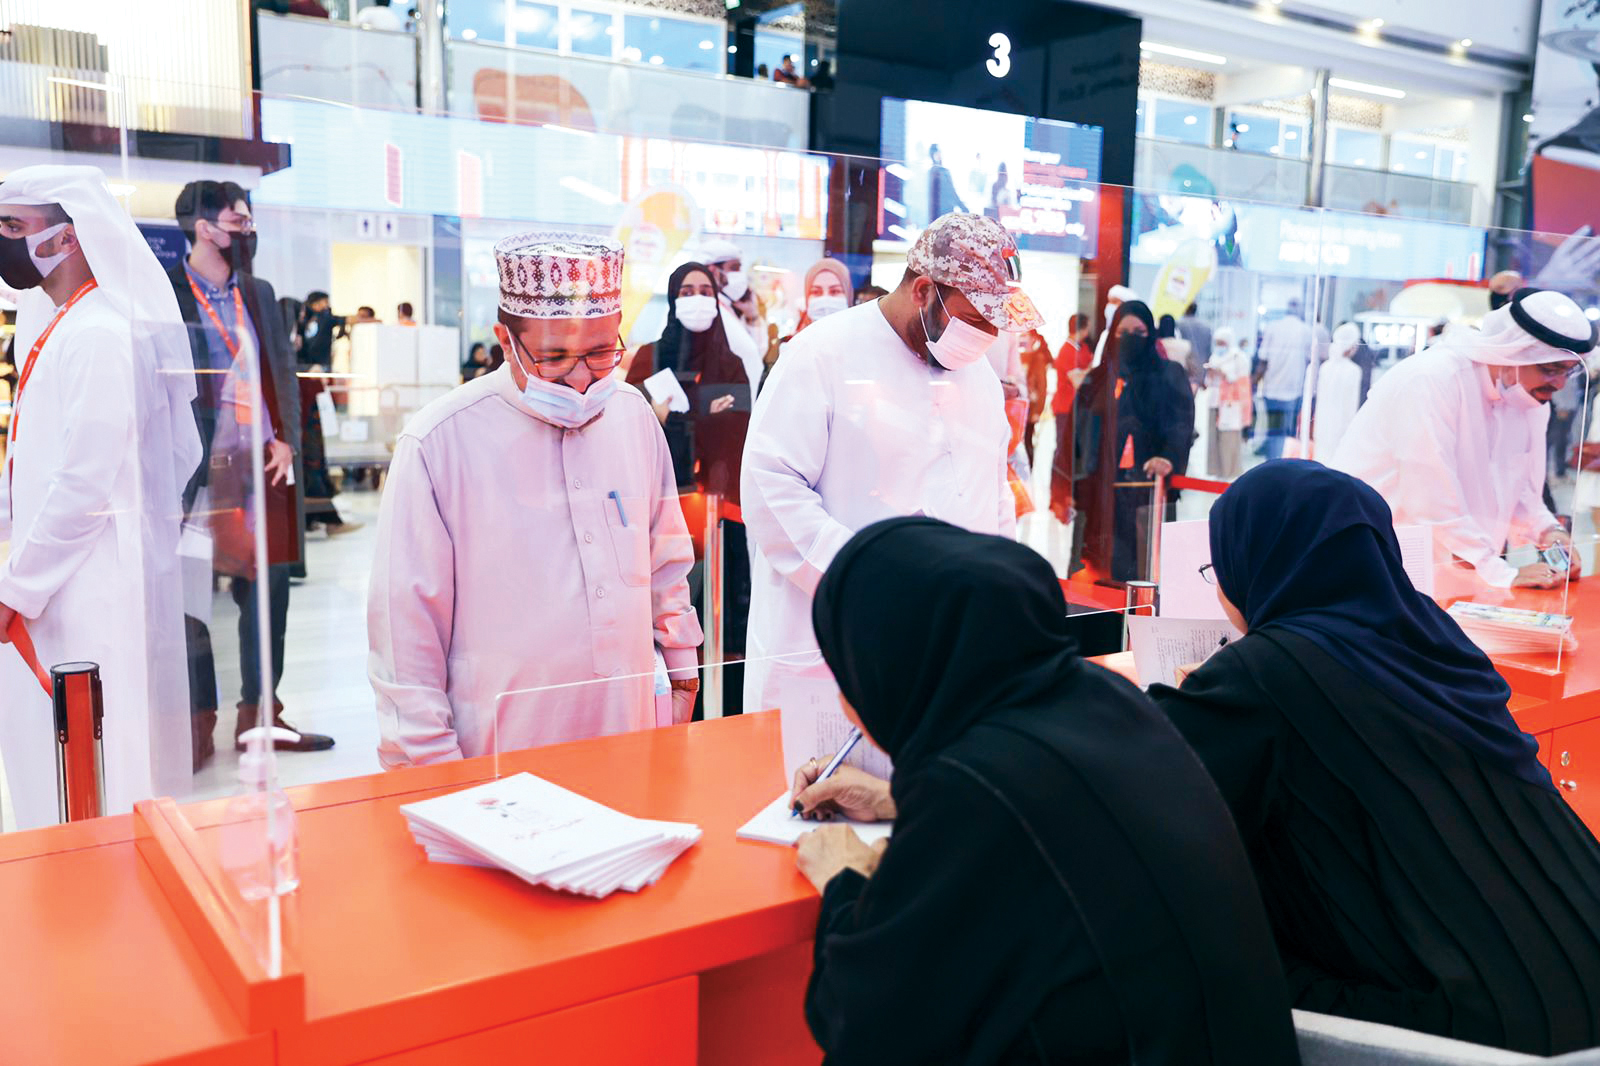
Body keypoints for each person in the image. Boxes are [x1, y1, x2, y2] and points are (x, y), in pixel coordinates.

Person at [791, 518, 1302, 1065]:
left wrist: (843, 881)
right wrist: (898, 800)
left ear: (887, 669)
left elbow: (862, 1019)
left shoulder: (971, 788)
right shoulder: (1104, 698)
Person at [1147, 461, 1600, 1056]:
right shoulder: (1435, 637)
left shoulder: (1267, 670)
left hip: (1480, 1026)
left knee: (1186, 947)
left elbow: (1146, 799)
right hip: (1580, 966)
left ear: (1250, 562)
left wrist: (1206, 691)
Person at [368, 232, 702, 766]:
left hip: (630, 730)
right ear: (506, 340)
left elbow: (665, 558)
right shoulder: (438, 443)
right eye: (554, 357)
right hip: (499, 754)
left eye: (601, 353)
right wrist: (433, 773)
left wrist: (683, 669)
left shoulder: (632, 416)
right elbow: (405, 634)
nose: (581, 378)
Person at [741, 212, 1035, 714]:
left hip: (946, 647)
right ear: (922, 291)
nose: (987, 334)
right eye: (976, 320)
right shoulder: (822, 353)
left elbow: (993, 494)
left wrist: (996, 584)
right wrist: (869, 577)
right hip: (831, 639)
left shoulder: (980, 378)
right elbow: (771, 487)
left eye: (996, 323)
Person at [0, 164, 200, 827]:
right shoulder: (64, 326)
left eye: (13, 226)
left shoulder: (99, 335)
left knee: (95, 770)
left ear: (67, 236)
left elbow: (83, 486)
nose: (3, 240)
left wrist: (17, 588)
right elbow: (38, 464)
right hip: (53, 580)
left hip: (84, 586)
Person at [171, 180, 336, 763]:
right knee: (190, 596)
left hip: (262, 461)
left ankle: (260, 713)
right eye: (238, 222)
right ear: (204, 229)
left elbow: (282, 370)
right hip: (194, 467)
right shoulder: (167, 292)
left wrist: (287, 438)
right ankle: (197, 718)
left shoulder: (258, 291)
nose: (248, 231)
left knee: (269, 592)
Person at [1334, 287, 1593, 589]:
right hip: (1377, 560)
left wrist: (1549, 532)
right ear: (1513, 352)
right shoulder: (1433, 380)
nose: (1559, 384)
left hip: (1460, 572)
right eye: (1550, 369)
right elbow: (1429, 499)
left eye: (1568, 372)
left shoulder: (1529, 399)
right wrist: (1501, 573)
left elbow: (1520, 487)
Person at [627, 261, 753, 711]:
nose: (696, 299)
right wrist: (703, 410)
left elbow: (737, 432)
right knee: (664, 613)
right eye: (686, 291)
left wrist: (682, 412)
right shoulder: (649, 359)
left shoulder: (731, 364)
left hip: (720, 516)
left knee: (721, 615)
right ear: (672, 299)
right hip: (660, 513)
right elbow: (633, 429)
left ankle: (723, 707)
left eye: (704, 290)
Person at [1072, 300, 1194, 583]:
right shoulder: (1098, 379)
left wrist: (1168, 457)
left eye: (1138, 332)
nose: (1129, 339)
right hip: (1101, 492)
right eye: (1122, 332)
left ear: (1150, 333)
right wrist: (1068, 484)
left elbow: (1181, 424)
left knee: (1143, 569)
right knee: (1096, 569)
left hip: (1147, 491)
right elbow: (1078, 433)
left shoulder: (1168, 375)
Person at [696, 238, 765, 392]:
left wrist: (752, 316)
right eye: (734, 268)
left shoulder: (727, 307)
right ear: (713, 271)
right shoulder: (705, 311)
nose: (740, 275)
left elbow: (757, 351)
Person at [1049, 312, 1093, 522]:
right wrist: (1089, 372)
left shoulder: (1081, 348)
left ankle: (1067, 497)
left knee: (1072, 454)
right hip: (1065, 408)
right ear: (1083, 328)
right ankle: (1057, 498)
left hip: (1077, 409)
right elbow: (1077, 380)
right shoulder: (1066, 351)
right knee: (1062, 453)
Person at [1255, 299, 1312, 460]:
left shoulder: (1272, 327)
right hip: (1293, 390)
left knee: (1273, 430)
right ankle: (1283, 463)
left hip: (1271, 389)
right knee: (1288, 433)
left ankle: (1272, 462)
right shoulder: (1305, 330)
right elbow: (1310, 360)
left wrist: (1253, 383)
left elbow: (1263, 360)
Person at [1205, 326, 1252, 479]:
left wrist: (1225, 374)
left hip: (1231, 404)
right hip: (1214, 402)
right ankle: (1216, 471)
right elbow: (1208, 382)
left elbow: (1242, 382)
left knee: (1229, 439)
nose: (1219, 346)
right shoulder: (1214, 357)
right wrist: (1211, 374)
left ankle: (1230, 472)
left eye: (1222, 343)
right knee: (1214, 439)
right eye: (1217, 343)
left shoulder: (1239, 358)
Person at [1312, 322, 1362, 462]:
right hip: (1342, 426)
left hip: (1322, 425)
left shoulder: (1325, 367)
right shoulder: (1354, 371)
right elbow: (1351, 405)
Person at [791, 257, 852, 336]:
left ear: (848, 295)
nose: (825, 299)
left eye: (835, 291)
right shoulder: (796, 341)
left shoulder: (861, 339)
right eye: (816, 292)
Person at [1019, 327, 1050, 468]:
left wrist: (1038, 411)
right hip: (1018, 406)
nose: (1022, 338)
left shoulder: (1038, 358)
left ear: (1032, 339)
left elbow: (1042, 387)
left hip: (1030, 408)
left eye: (1025, 335)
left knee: (1027, 442)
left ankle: (1027, 472)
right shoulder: (1017, 356)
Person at [925, 144, 967, 221]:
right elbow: (952, 193)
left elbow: (952, 193)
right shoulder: (939, 172)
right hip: (940, 214)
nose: (939, 155)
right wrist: (964, 209)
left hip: (943, 213)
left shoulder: (938, 172)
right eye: (937, 153)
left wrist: (964, 208)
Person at [1177, 301, 1213, 389]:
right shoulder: (1206, 327)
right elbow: (1208, 352)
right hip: (1200, 371)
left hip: (1184, 370)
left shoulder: (1179, 324)